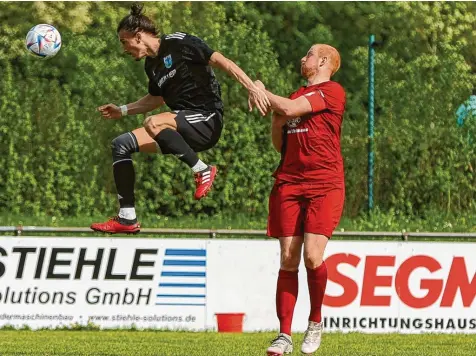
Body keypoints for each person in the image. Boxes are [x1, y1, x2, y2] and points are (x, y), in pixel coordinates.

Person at [90, 4, 270, 234]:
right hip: (180, 127)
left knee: (153, 122)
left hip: (206, 119)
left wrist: (251, 87)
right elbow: (155, 100)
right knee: (121, 145)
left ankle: (202, 170)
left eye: (124, 42)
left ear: (138, 36)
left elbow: (221, 61)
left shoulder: (179, 42)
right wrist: (122, 110)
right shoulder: (151, 65)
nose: (124, 49)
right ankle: (127, 218)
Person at [249, 44, 346, 355]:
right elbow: (281, 144)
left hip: (324, 184)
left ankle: (315, 321)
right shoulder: (293, 97)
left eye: (307, 55)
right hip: (289, 184)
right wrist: (276, 121)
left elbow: (289, 110)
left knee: (312, 257)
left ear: (323, 61)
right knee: (288, 259)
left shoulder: (333, 91)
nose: (302, 58)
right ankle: (284, 335)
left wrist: (259, 89)